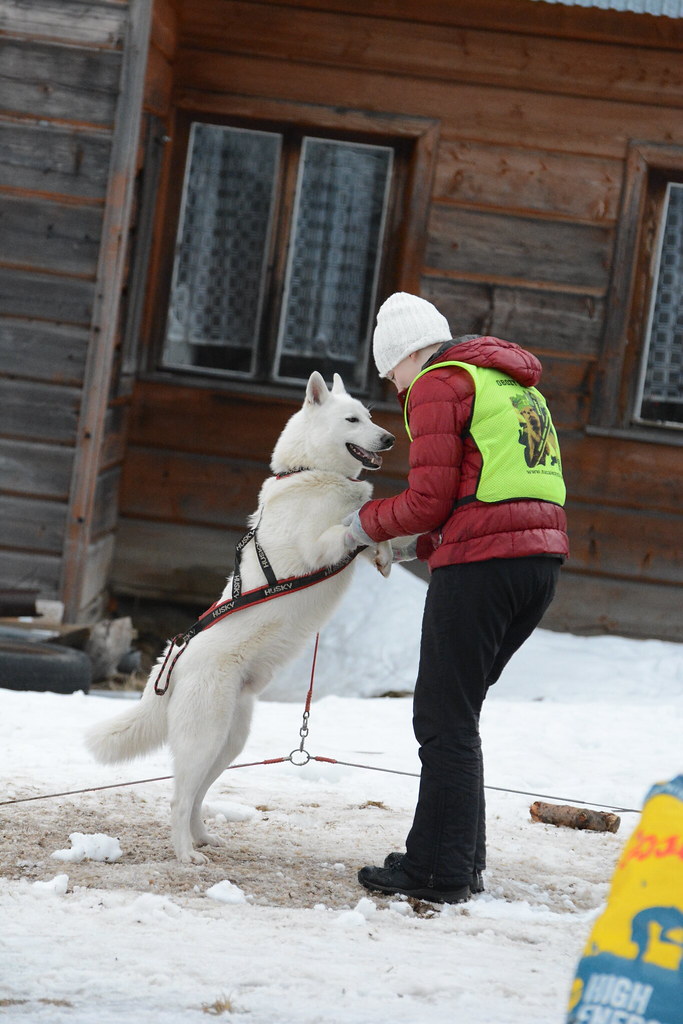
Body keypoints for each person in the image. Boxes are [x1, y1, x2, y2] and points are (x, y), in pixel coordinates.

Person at [342, 292, 569, 904]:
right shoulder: (506, 382)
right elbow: (490, 490)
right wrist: (418, 546)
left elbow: (426, 499)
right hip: (538, 563)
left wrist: (360, 526)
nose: (392, 385)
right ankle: (456, 859)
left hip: (484, 567)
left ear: (407, 352)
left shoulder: (439, 383)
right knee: (458, 715)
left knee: (442, 719)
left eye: (389, 370)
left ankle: (437, 873)